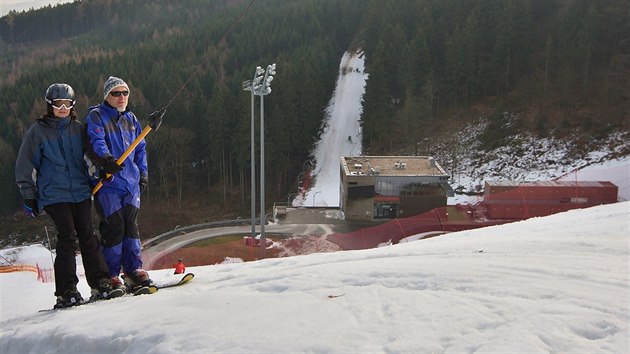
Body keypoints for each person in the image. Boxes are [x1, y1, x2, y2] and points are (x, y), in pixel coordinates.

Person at [15, 83, 116, 308]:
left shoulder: (77, 129)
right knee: (67, 236)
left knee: (88, 235)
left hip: (79, 190)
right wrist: (29, 195)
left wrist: (100, 174)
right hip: (53, 194)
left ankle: (100, 282)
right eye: (58, 104)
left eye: (67, 104)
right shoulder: (38, 131)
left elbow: (88, 159)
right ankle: (67, 290)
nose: (63, 108)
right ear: (50, 106)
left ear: (72, 106)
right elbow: (25, 164)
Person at [85, 76, 153, 292]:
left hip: (131, 183)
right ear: (107, 96)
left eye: (125, 93)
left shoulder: (131, 119)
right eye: (116, 93)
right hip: (109, 183)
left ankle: (133, 270)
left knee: (131, 227)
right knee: (114, 228)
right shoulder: (97, 116)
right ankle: (112, 274)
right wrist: (106, 161)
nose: (122, 97)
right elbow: (97, 142)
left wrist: (143, 173)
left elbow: (140, 149)